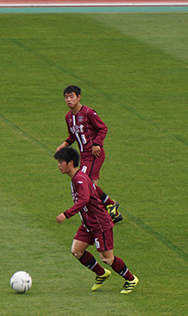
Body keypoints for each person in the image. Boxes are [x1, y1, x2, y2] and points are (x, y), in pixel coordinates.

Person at [55, 146, 139, 294]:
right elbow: (95, 189)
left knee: (107, 258)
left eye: (61, 162)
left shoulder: (79, 179)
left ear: (71, 163)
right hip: (88, 225)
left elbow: (84, 200)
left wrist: (66, 214)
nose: (59, 165)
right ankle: (101, 274)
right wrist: (110, 203)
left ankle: (131, 279)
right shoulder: (78, 177)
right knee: (77, 251)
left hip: (100, 224)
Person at [56, 85, 122, 223]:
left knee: (85, 182)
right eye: (66, 97)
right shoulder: (68, 117)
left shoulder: (88, 113)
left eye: (71, 97)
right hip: (84, 155)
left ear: (79, 97)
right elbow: (73, 135)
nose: (68, 100)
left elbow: (103, 128)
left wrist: (97, 143)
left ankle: (104, 210)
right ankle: (110, 207)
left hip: (94, 154)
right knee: (90, 185)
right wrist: (64, 144)